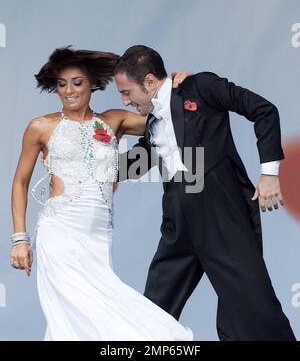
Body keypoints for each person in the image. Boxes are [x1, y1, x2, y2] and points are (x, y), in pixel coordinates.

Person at [10, 46, 193, 341]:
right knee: (74, 315)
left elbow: (170, 117)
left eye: (77, 82)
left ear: (93, 84)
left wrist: (178, 87)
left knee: (92, 320)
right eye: (61, 84)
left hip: (98, 238)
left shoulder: (114, 121)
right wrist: (20, 239)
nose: (69, 91)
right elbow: (19, 182)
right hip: (59, 233)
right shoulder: (41, 127)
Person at [114, 45, 296, 341]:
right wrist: (83, 166)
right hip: (178, 218)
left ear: (149, 82)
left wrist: (270, 174)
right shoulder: (153, 123)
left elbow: (263, 110)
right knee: (151, 312)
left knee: (252, 308)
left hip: (220, 212)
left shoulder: (199, 87)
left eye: (126, 92)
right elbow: (135, 163)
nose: (125, 101)